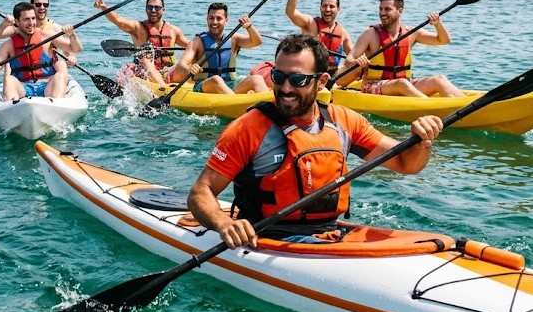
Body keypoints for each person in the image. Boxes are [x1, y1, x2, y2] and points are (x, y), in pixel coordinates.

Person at [186, 33, 443, 246]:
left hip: (330, 234)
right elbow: (200, 193)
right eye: (279, 77)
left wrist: (422, 141)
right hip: (268, 237)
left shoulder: (345, 121)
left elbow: (407, 164)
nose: (286, 88)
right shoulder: (247, 128)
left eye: (298, 80)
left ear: (321, 81)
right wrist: (224, 224)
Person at [336, 0, 463, 97]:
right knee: (402, 84)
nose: (382, 13)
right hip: (373, 85)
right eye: (380, 9)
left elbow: (444, 40)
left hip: (404, 83)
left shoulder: (411, 33)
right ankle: (434, 108)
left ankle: (465, 106)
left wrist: (438, 24)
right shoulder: (370, 34)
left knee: (439, 79)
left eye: (387, 9)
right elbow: (349, 60)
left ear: (399, 11)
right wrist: (358, 61)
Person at [0, 2, 82, 100]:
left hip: (47, 85)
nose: (31, 23)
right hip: (22, 88)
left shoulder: (47, 37)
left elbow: (77, 49)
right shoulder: (8, 45)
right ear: (17, 22)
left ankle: (56, 105)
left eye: (33, 18)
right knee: (9, 79)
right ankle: (12, 106)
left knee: (60, 76)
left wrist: (72, 35)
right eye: (26, 19)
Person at [169, 2, 267, 94]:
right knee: (216, 79)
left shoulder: (234, 39)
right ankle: (235, 103)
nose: (214, 22)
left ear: (226, 20)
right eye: (211, 18)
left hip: (230, 85)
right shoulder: (197, 42)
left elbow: (257, 42)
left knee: (257, 78)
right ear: (207, 19)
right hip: (205, 86)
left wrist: (249, 26)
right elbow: (178, 71)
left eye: (219, 18)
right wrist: (189, 69)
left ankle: (270, 108)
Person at [93, 0, 190, 85]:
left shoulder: (174, 31)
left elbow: (192, 46)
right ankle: (163, 89)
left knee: (186, 66)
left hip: (167, 72)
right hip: (145, 74)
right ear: (146, 10)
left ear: (163, 10)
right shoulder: (138, 28)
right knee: (146, 58)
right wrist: (103, 7)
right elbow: (119, 21)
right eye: (149, 7)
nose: (153, 10)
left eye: (157, 7)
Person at [286, 0, 352, 74]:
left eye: (332, 6)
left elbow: (353, 55)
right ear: (320, 8)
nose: (327, 9)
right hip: (311, 73)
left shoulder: (343, 33)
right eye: (324, 6)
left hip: (333, 75)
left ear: (338, 10)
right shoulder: (310, 23)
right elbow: (290, 12)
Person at [0, 0, 83, 54]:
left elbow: (74, 50)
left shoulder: (56, 29)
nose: (42, 8)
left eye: (45, 5)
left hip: (48, 72)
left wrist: (72, 35)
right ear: (31, 6)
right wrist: (4, 24)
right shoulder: (19, 27)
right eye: (38, 4)